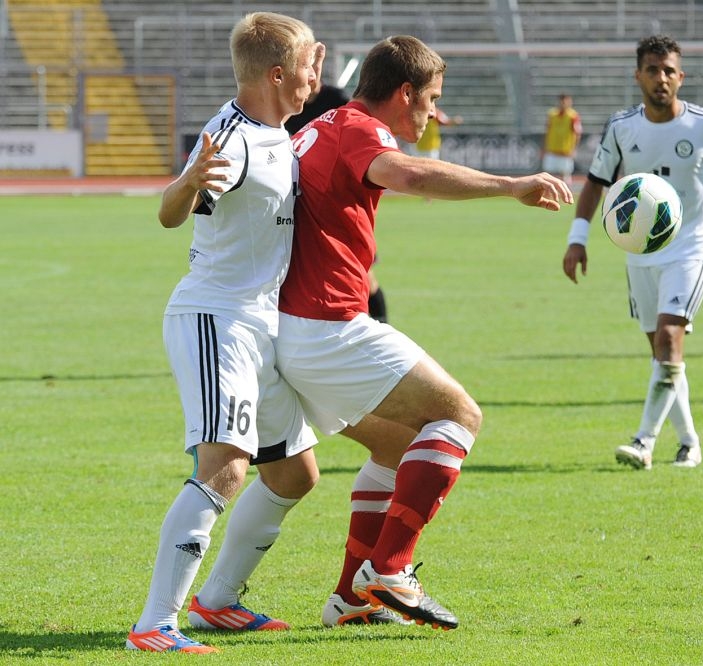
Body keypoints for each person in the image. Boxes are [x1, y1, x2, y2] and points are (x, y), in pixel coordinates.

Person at [278, 35, 573, 630]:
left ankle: (349, 599)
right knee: (460, 415)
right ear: (404, 91)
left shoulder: (328, 122)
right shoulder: (361, 127)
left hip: (296, 330)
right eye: (431, 99)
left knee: (394, 447)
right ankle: (389, 569)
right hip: (326, 326)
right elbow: (407, 176)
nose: (434, 113)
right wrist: (511, 185)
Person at [126, 13, 325, 654]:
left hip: (261, 325)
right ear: (276, 73)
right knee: (225, 468)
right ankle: (155, 624)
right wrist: (186, 184)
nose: (313, 77)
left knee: (295, 473)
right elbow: (169, 212)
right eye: (306, 66)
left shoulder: (275, 132)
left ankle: (218, 603)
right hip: (218, 319)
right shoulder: (231, 139)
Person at [561, 35, 703, 471]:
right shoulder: (622, 127)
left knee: (671, 337)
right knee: (663, 353)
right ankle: (690, 442)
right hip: (640, 251)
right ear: (638, 75)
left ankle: (643, 441)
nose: (662, 78)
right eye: (653, 69)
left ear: (681, 77)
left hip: (692, 243)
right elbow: (596, 184)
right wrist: (577, 238)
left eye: (669, 70)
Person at [287, 83, 390, 323]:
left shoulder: (336, 100)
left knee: (366, 278)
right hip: (300, 200)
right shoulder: (286, 104)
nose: (311, 74)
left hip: (338, 202)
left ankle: (382, 327)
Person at [541, 93, 583, 186]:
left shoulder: (573, 116)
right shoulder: (552, 114)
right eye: (562, 101)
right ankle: (548, 195)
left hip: (565, 151)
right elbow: (547, 131)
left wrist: (574, 149)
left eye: (566, 101)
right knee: (547, 175)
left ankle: (566, 197)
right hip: (552, 150)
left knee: (565, 175)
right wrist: (544, 147)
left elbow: (578, 133)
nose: (563, 104)